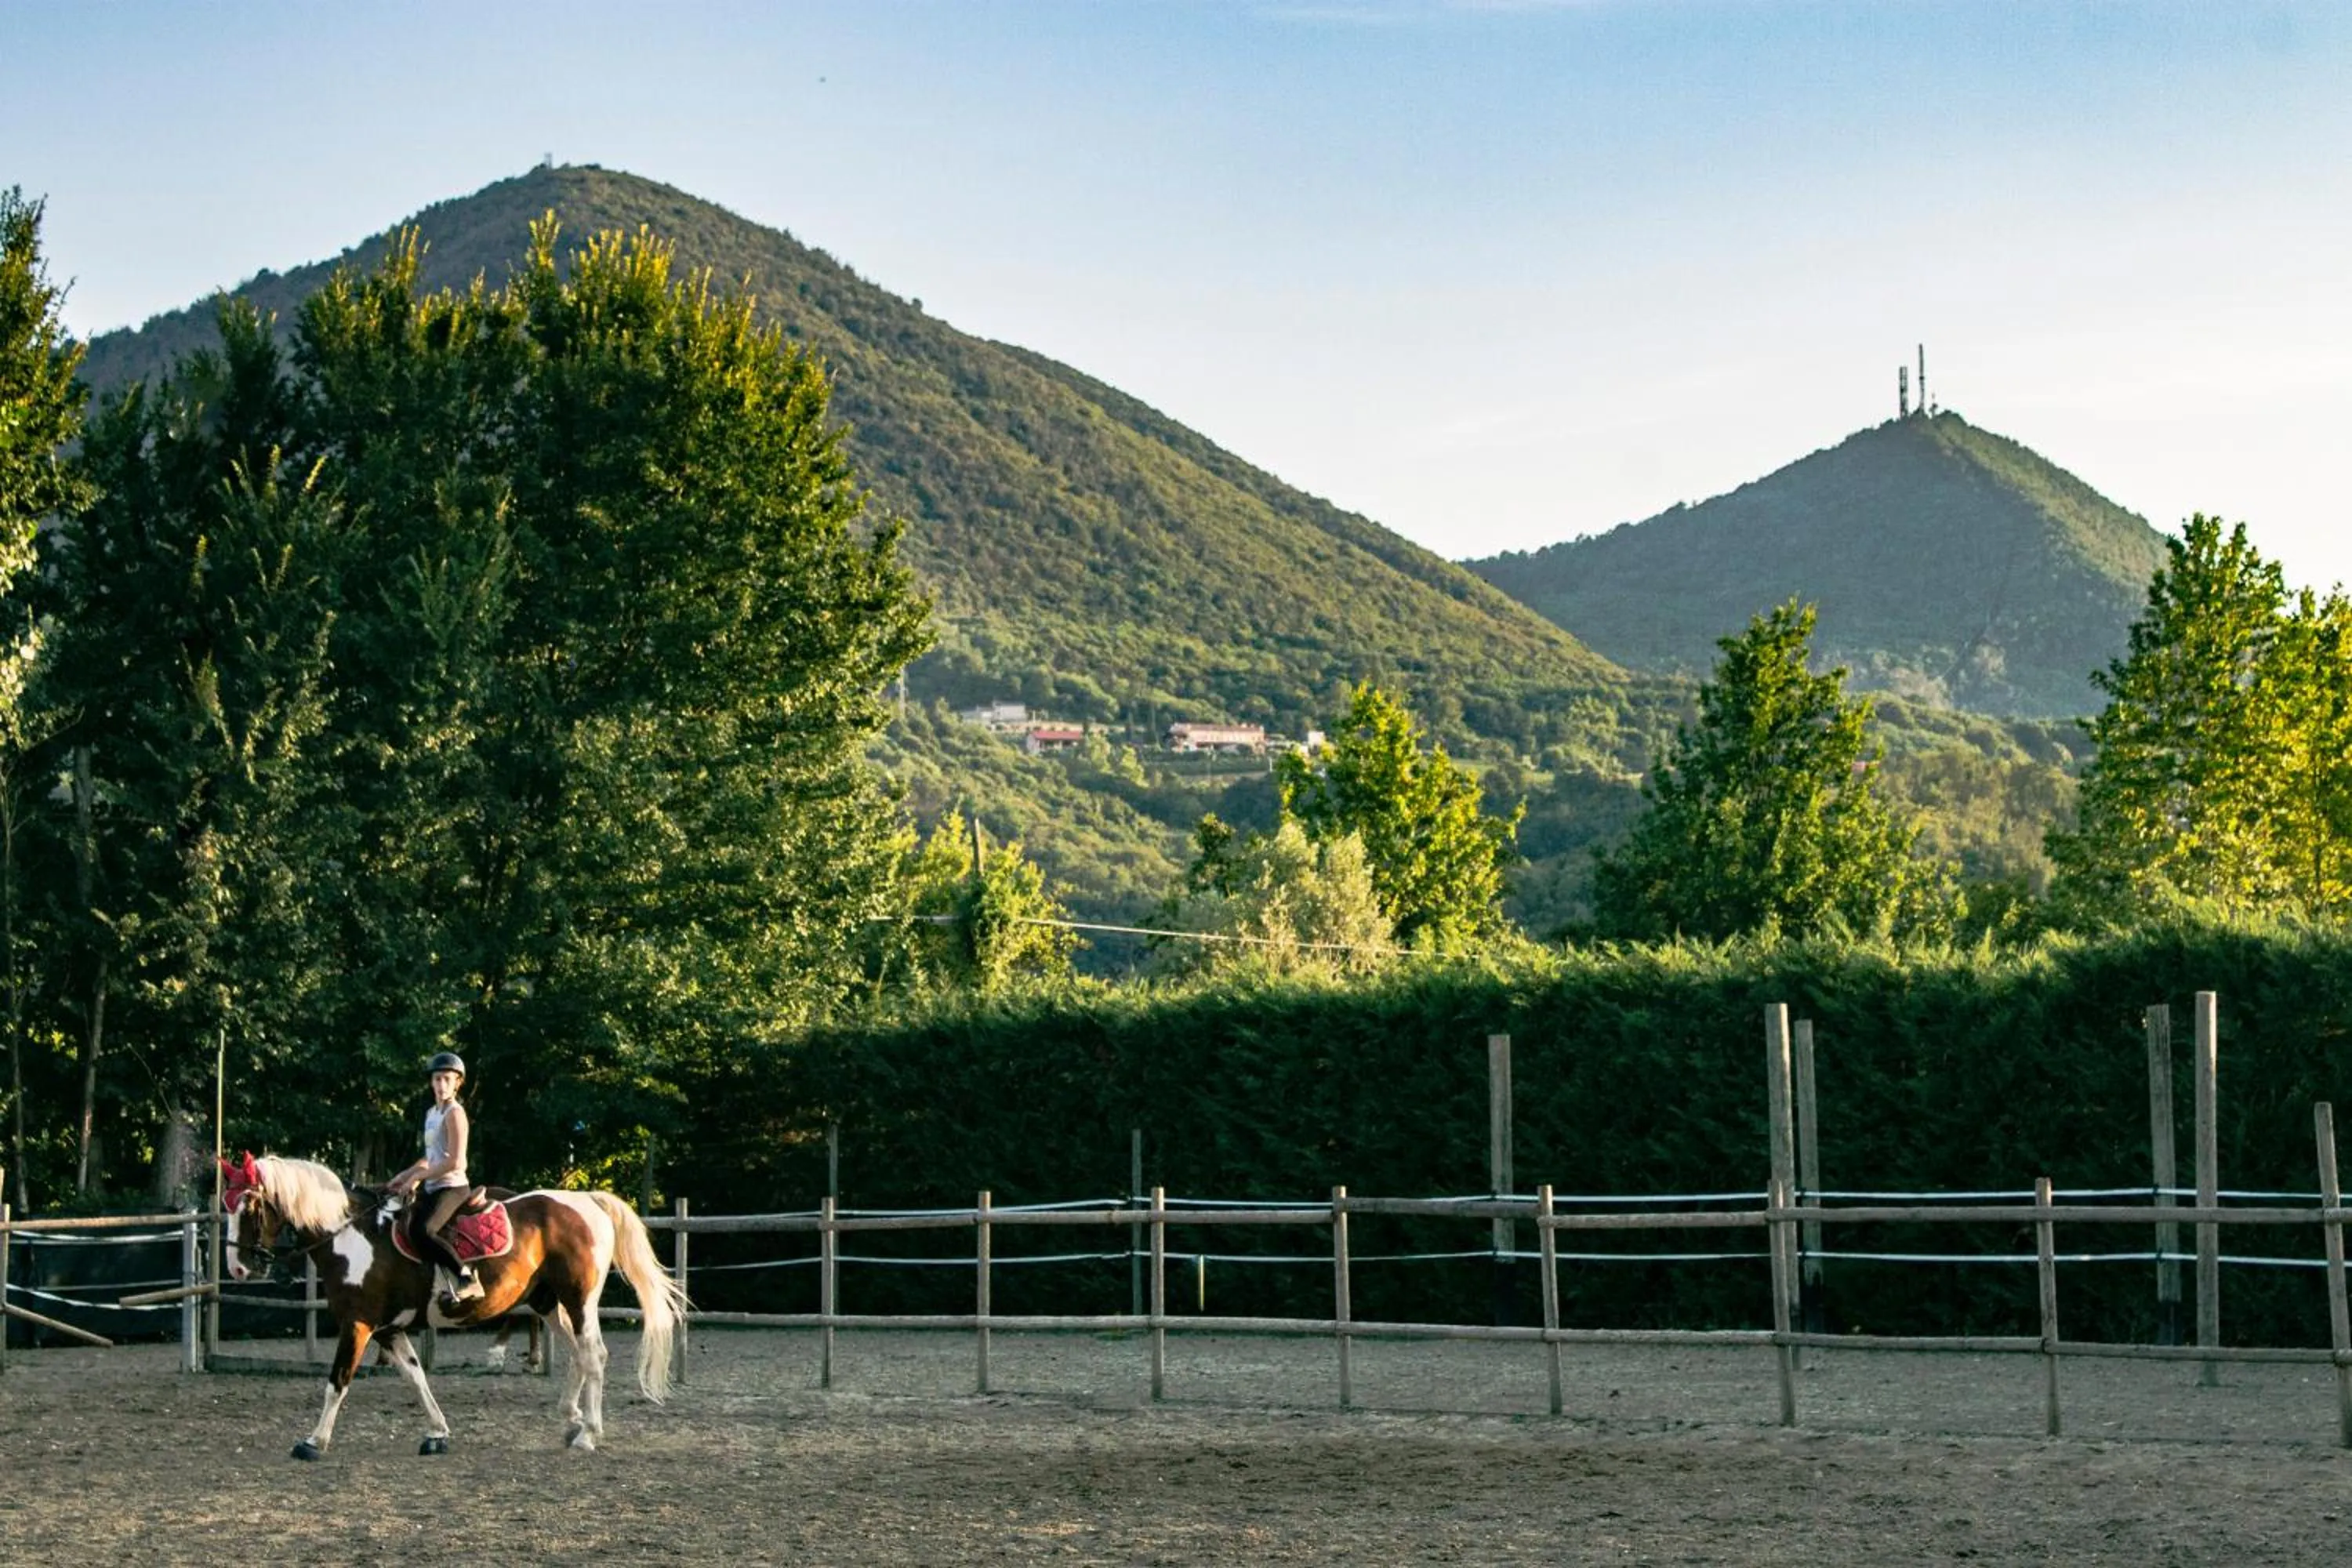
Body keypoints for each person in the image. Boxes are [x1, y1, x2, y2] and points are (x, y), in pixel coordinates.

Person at [387, 1051, 485, 1304]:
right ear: (431, 1082)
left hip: (453, 1187)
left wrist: (418, 1177)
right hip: (433, 1186)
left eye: (447, 1079)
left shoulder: (455, 1113)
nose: (441, 1085)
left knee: (424, 1230)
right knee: (401, 1221)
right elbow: (431, 1157)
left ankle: (467, 1278)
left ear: (457, 1083)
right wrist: (404, 1175)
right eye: (437, 1079)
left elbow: (456, 1161)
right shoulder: (432, 1114)